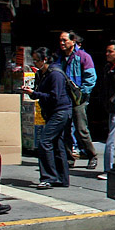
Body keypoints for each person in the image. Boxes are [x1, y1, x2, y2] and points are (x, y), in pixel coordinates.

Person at [21, 47, 73, 189]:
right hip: (53, 112)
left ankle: (48, 177)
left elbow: (54, 97)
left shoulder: (55, 74)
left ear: (45, 60)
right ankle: (61, 178)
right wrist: (32, 93)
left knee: (45, 142)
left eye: (37, 60)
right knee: (57, 143)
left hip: (61, 111)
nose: (35, 63)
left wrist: (35, 94)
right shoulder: (42, 74)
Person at [57, 31, 98, 168]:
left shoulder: (83, 57)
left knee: (81, 129)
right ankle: (69, 158)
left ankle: (92, 155)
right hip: (64, 98)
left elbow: (91, 77)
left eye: (65, 40)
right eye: (61, 40)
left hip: (78, 99)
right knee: (65, 129)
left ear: (73, 41)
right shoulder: (60, 57)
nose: (62, 43)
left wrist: (82, 93)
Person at [89, 42, 115, 180]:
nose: (107, 54)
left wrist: (114, 99)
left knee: (113, 138)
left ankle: (110, 168)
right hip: (111, 108)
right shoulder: (107, 68)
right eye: (107, 51)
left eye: (110, 51)